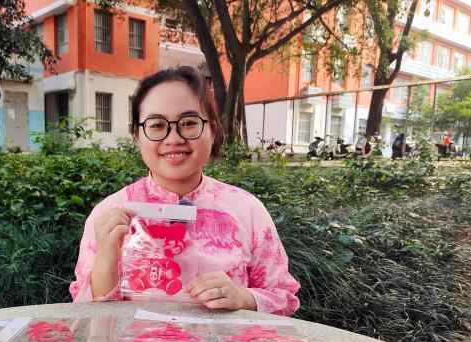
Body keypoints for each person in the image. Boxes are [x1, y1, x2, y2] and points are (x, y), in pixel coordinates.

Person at [69, 66, 300, 315]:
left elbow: (283, 297)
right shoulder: (109, 215)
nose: (174, 138)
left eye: (189, 123)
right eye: (157, 125)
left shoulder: (247, 211)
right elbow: (85, 315)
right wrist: (106, 255)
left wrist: (245, 298)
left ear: (213, 129)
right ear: (137, 135)